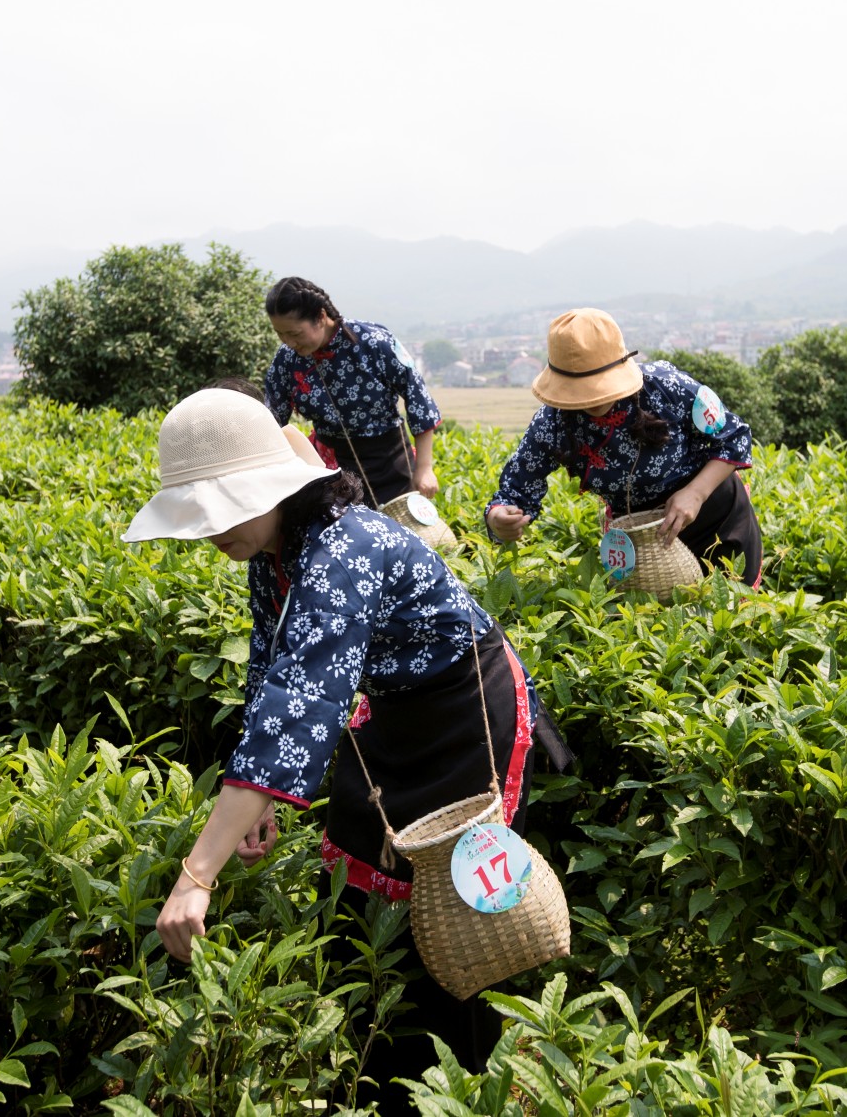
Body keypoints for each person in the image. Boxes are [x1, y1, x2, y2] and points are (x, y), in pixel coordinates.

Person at [124, 389, 570, 1096]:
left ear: (273, 487)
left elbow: (301, 705)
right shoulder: (276, 548)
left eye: (225, 508)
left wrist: (197, 874)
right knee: (369, 873)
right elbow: (272, 674)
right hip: (395, 713)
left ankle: (456, 1087)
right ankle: (378, 1069)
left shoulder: (341, 549)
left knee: (454, 903)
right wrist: (261, 800)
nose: (213, 534)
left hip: (464, 713)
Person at [484, 308, 762, 586]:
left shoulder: (666, 386)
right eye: (578, 390)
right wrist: (500, 518)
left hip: (715, 519)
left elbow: (733, 438)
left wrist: (696, 493)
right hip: (641, 539)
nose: (590, 400)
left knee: (731, 608)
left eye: (595, 386)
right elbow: (515, 491)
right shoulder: (552, 423)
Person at [262, 277, 441, 506]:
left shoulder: (374, 342)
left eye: (295, 334)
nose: (289, 342)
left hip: (389, 461)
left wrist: (424, 469)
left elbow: (418, 400)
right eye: (280, 334)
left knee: (400, 533)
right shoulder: (287, 359)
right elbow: (272, 421)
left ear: (320, 316)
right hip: (330, 466)